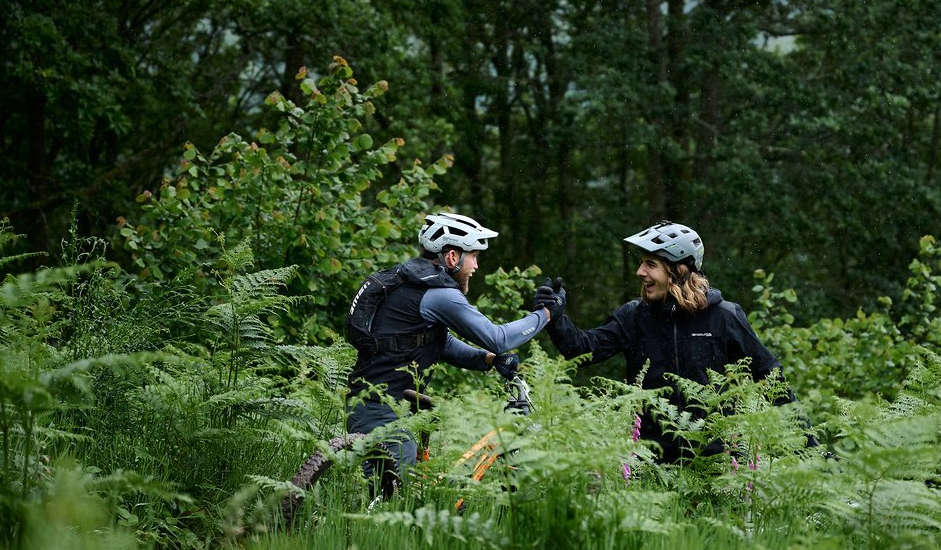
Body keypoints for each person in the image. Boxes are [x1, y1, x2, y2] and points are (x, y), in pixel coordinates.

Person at [533, 220, 808, 464]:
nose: (640, 272)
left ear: (678, 271)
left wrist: (810, 446)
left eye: (651, 264)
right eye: (642, 263)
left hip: (715, 463)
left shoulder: (724, 317)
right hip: (649, 463)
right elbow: (580, 350)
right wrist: (554, 318)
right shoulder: (634, 316)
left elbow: (771, 379)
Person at [346, 211, 552, 497]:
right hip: (380, 410)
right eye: (474, 257)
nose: (476, 266)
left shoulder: (411, 284)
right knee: (393, 503)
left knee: (408, 494)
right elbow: (498, 337)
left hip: (379, 404)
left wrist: (488, 360)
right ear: (453, 257)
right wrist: (545, 314)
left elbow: (438, 343)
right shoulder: (439, 293)